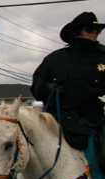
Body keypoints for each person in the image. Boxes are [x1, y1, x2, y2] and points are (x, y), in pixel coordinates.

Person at [31, 12, 105, 151]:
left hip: (93, 121)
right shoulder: (54, 59)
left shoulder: (103, 57)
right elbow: (36, 86)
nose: (95, 32)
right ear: (76, 32)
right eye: (89, 29)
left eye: (98, 30)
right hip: (56, 121)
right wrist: (46, 87)